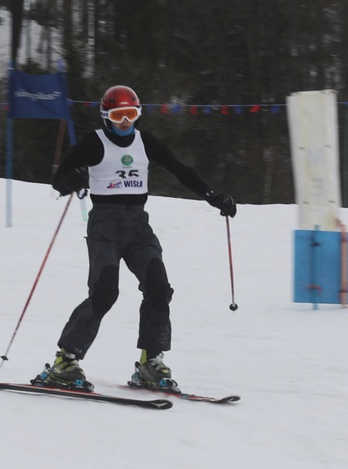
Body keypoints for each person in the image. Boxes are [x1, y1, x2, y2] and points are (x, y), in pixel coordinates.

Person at [44, 85, 236, 391]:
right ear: (106, 116)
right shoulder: (95, 142)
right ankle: (65, 361)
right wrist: (72, 180)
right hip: (104, 226)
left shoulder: (146, 142)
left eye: (131, 115)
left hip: (138, 226)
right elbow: (58, 179)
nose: (124, 122)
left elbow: (180, 170)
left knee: (159, 288)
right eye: (118, 115)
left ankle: (150, 361)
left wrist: (213, 196)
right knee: (105, 292)